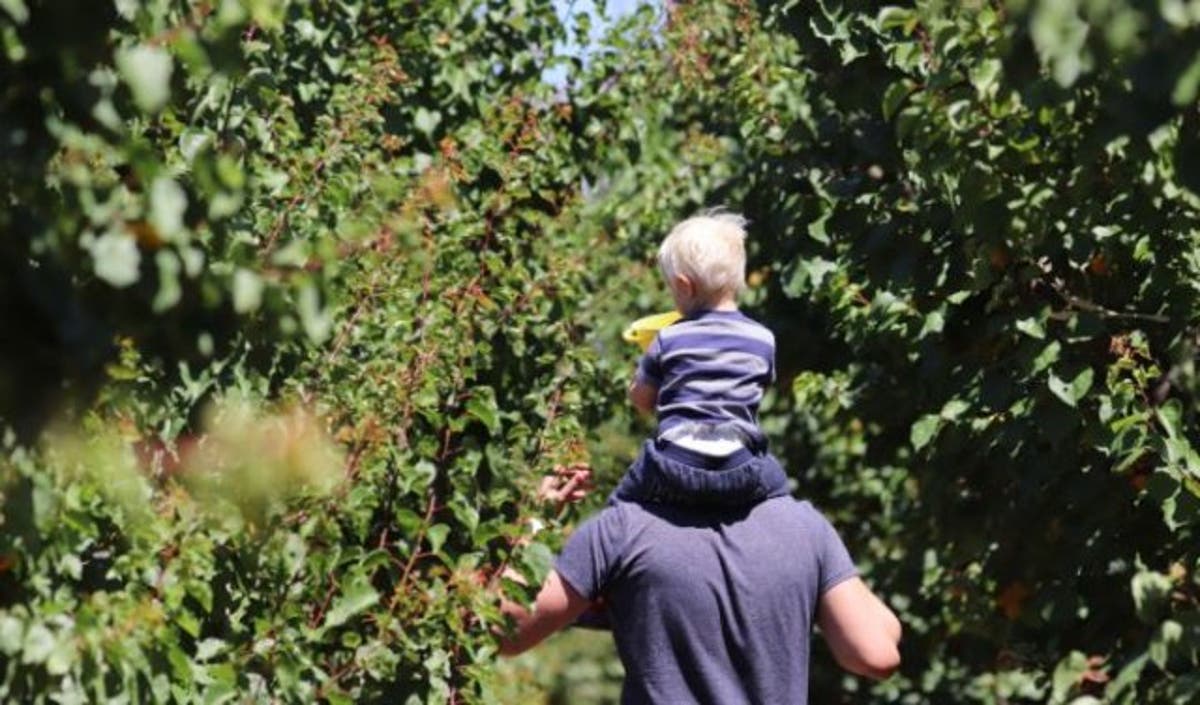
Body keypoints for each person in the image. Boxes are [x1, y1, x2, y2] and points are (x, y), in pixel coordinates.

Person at [499, 470, 902, 704]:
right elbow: (876, 655)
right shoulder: (803, 529)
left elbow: (505, 629)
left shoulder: (621, 531)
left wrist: (535, 520)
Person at [612, 211, 789, 508]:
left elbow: (642, 401)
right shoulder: (763, 339)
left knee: (622, 502)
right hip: (740, 465)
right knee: (780, 488)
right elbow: (757, 388)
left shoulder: (668, 338)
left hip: (676, 464)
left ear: (685, 286)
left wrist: (644, 381)